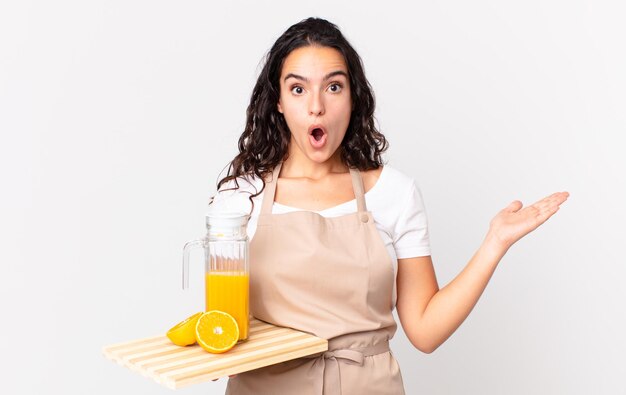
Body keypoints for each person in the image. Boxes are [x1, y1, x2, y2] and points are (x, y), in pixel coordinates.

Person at [207, 17, 569, 395]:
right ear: (278, 102)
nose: (316, 106)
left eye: (333, 87)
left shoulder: (393, 194)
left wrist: (494, 243)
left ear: (353, 97)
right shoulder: (242, 196)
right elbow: (225, 323)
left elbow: (425, 330)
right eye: (298, 89)